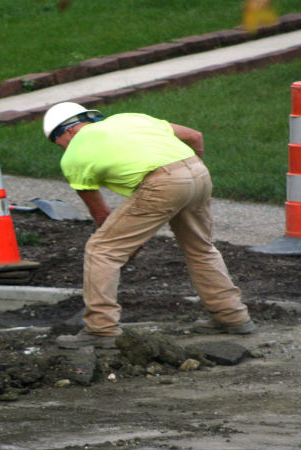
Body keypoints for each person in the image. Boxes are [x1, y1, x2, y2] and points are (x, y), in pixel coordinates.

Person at [42, 102, 255, 349]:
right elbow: (194, 136)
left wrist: (129, 242)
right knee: (201, 248)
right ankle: (233, 317)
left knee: (102, 250)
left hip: (162, 183)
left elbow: (102, 216)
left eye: (58, 144)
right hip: (197, 172)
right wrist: (189, 172)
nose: (62, 149)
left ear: (67, 132)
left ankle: (101, 329)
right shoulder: (129, 119)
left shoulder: (74, 156)